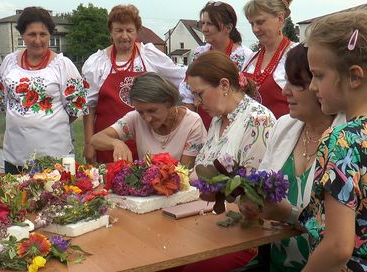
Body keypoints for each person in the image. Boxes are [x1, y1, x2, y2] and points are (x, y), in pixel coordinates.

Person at [243, 11, 367, 271]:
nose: (314, 87)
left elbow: (338, 247)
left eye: (318, 76)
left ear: (353, 76)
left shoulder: (342, 140)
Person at [240, 43, 345, 271]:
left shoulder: (349, 141)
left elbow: (344, 239)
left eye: (296, 84)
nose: (284, 90)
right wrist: (253, 202)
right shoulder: (285, 125)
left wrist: (290, 214)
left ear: (323, 86)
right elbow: (264, 186)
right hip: (271, 262)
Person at [172, 50, 275, 272]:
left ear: (225, 85)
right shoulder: (218, 120)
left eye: (200, 94)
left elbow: (252, 196)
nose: (197, 103)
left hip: (245, 233)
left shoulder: (258, 120)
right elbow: (203, 173)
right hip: (210, 222)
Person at [82, 4, 186, 165]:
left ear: (137, 31)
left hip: (148, 138)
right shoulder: (97, 63)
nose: (124, 36)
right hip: (109, 141)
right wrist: (89, 143)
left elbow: (181, 80)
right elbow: (89, 107)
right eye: (119, 30)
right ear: (111, 32)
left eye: (129, 30)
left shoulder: (150, 56)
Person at [0, 6, 89, 173]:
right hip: (15, 157)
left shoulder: (63, 65)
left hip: (54, 159)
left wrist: (47, 124)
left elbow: (76, 109)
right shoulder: (8, 63)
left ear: (50, 35)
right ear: (22, 35)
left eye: (43, 34)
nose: (38, 40)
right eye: (32, 34)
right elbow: (4, 104)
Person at [90, 72, 206, 167]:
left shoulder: (191, 123)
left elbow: (184, 173)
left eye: (152, 110)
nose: (147, 118)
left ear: (168, 102)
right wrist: (116, 143)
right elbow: (95, 139)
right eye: (141, 112)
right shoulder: (135, 118)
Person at [180, 1, 253, 128]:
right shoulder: (199, 54)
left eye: (210, 24)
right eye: (202, 23)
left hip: (235, 122)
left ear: (228, 28)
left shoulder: (245, 56)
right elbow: (188, 93)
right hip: (204, 120)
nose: (204, 29)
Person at [242, 0, 296, 119]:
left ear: (280, 19)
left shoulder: (295, 55)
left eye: (260, 22)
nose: (255, 29)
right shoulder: (251, 58)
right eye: (251, 24)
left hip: (283, 134)